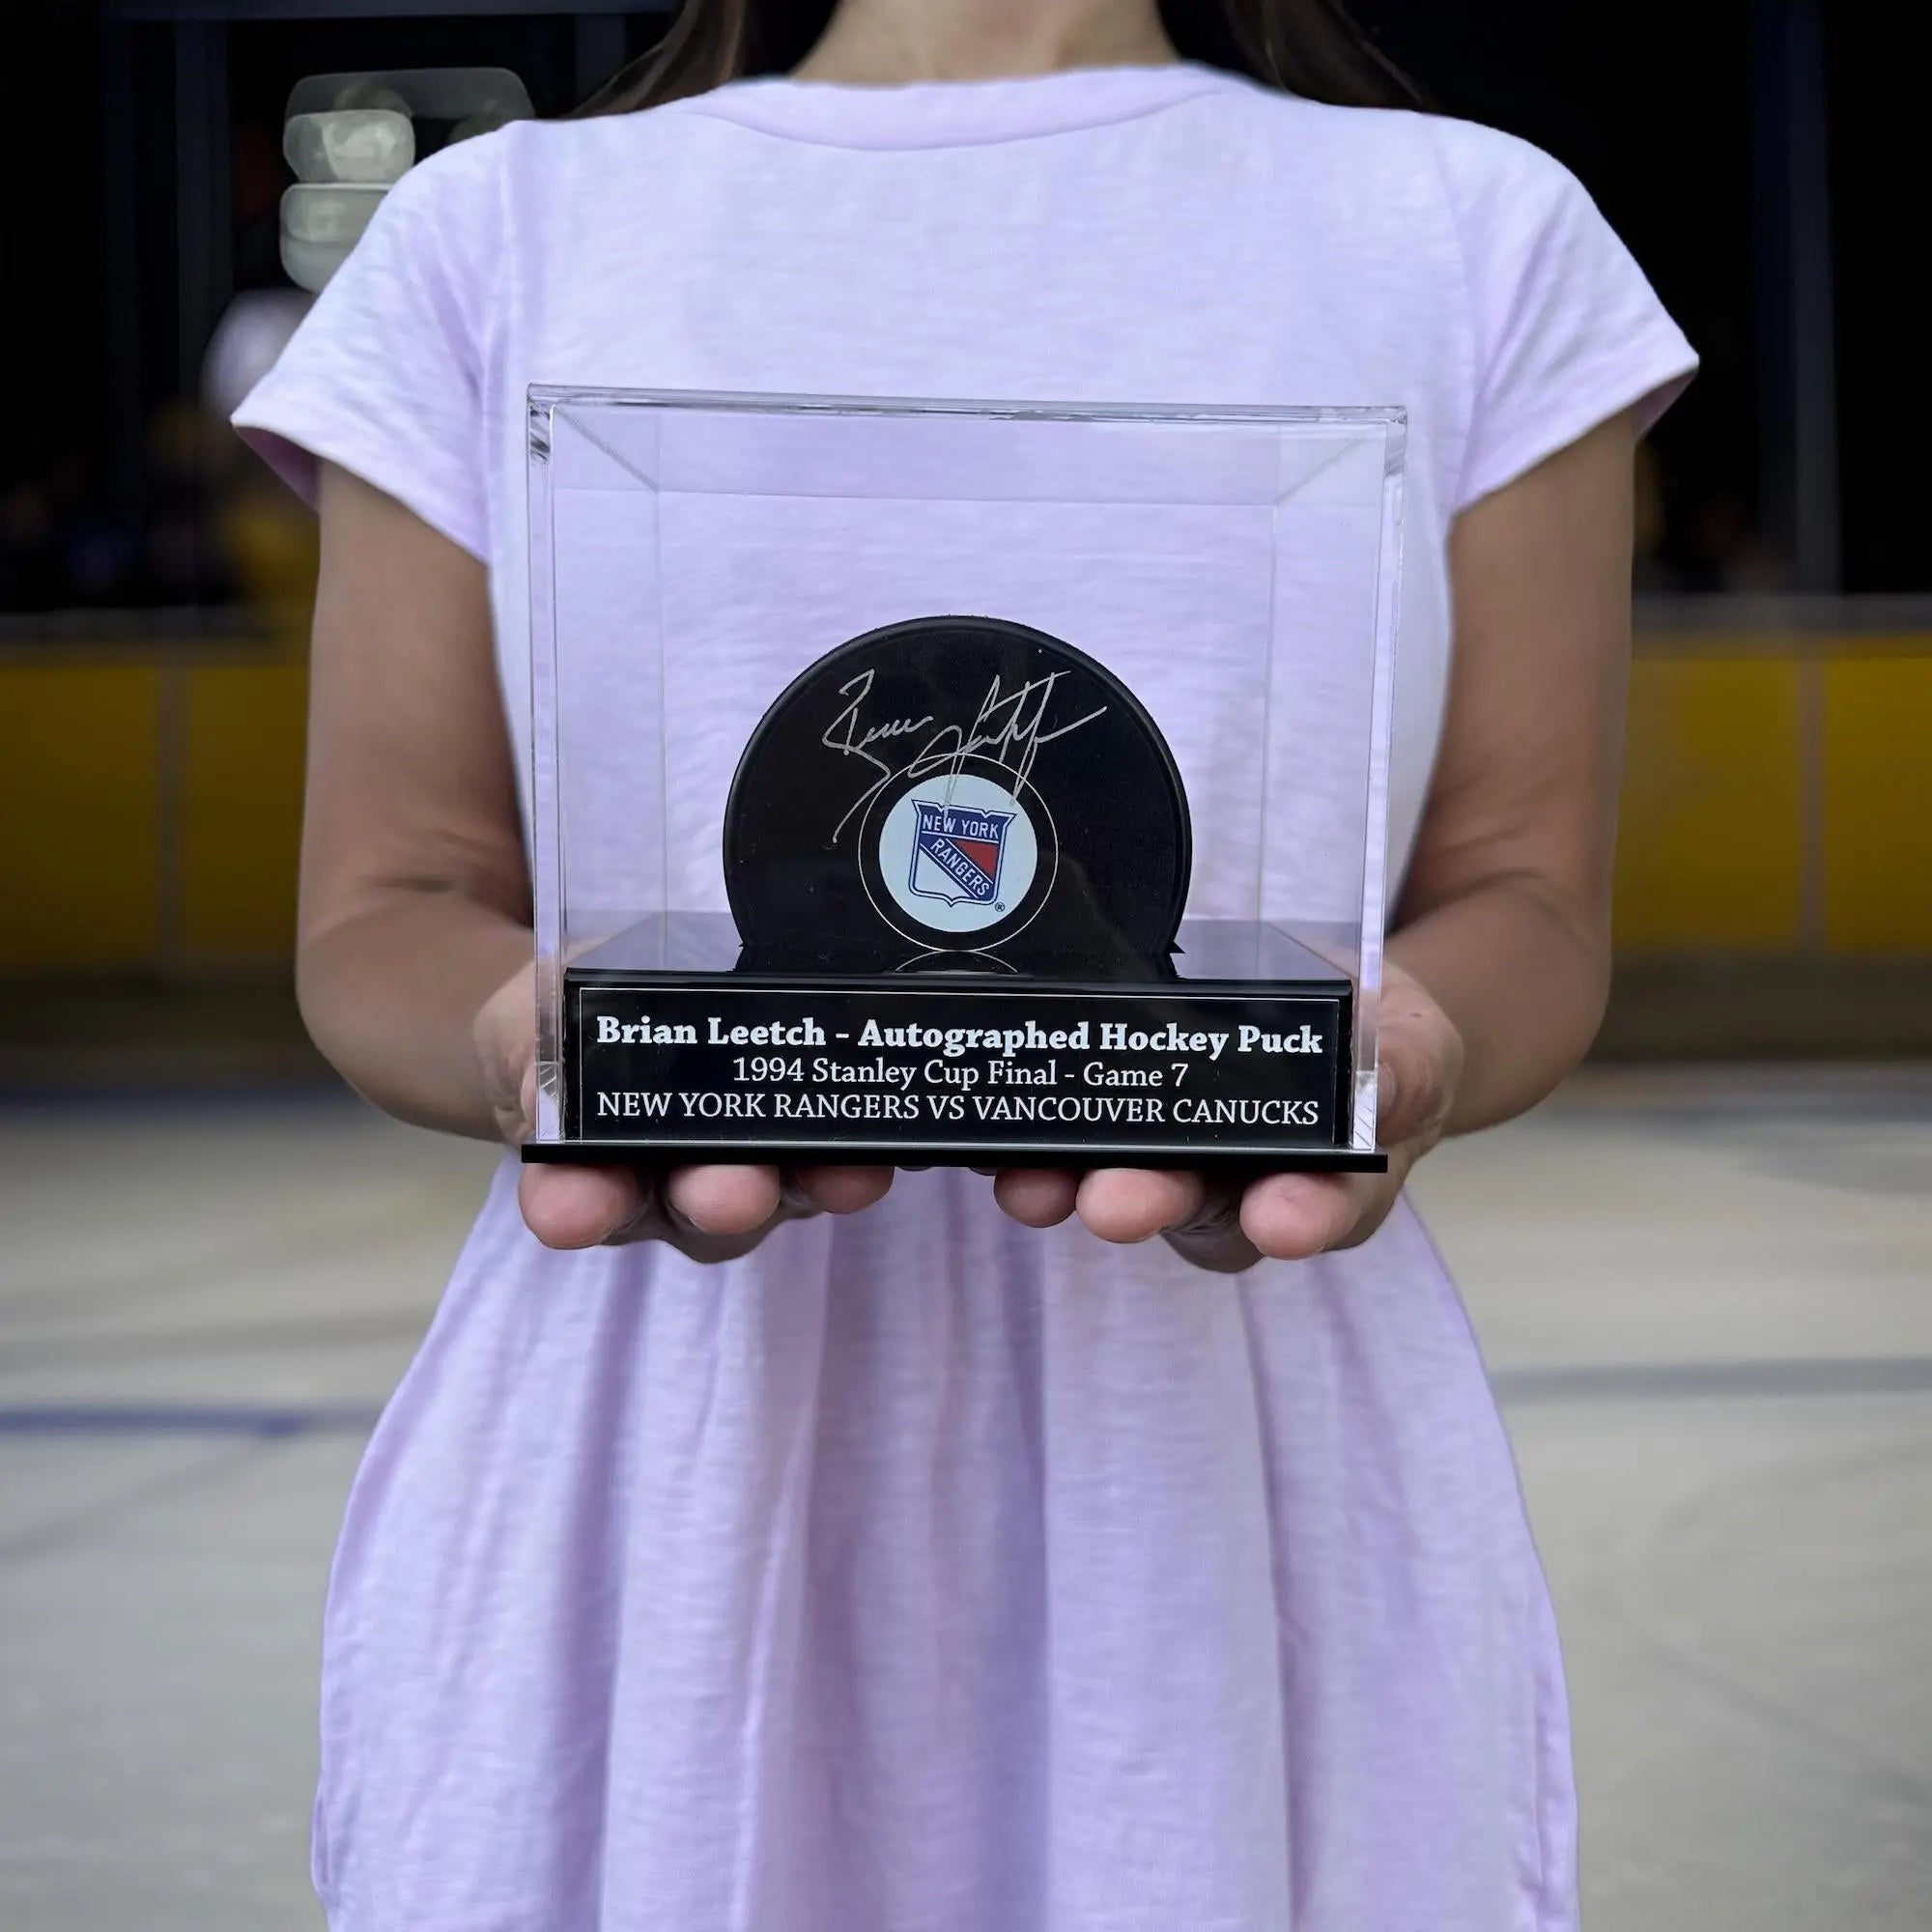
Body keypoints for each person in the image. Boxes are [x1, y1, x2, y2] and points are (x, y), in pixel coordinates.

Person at [234, 2, 1695, 1926]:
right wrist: (537, 1044)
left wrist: (1401, 1052)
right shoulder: (490, 234)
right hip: (651, 1487)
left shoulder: (1471, 231)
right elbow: (386, 909)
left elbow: (1523, 893)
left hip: (1240, 1491)